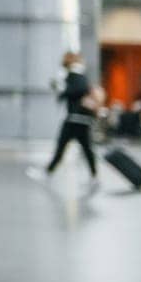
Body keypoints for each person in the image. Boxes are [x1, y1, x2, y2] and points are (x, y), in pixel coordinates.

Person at [40, 51, 99, 183]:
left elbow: (74, 91)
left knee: (64, 146)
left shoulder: (75, 75)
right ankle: (94, 175)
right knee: (85, 148)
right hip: (80, 119)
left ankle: (48, 171)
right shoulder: (80, 74)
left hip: (75, 118)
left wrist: (62, 90)